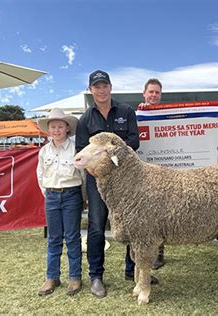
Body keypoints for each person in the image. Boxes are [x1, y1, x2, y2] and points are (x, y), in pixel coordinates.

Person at [76, 70, 155, 298]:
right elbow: (81, 150)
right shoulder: (85, 119)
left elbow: (134, 141)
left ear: (110, 87)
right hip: (99, 181)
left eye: (104, 86)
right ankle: (96, 276)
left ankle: (134, 271)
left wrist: (112, 150)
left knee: (134, 224)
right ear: (91, 90)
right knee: (97, 225)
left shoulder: (126, 111)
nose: (101, 90)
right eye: (96, 87)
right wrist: (99, 160)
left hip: (128, 180)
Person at [36, 108, 85, 296]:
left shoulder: (75, 148)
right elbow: (40, 174)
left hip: (72, 195)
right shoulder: (44, 151)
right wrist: (48, 192)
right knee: (54, 238)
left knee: (72, 237)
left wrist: (82, 198)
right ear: (49, 130)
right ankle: (52, 277)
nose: (56, 130)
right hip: (51, 195)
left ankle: (75, 277)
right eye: (53, 127)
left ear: (67, 128)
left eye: (60, 126)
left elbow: (82, 174)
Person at [131, 78, 166, 271]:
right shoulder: (137, 114)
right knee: (148, 214)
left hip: (165, 171)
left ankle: (160, 253)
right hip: (144, 172)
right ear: (144, 93)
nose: (153, 95)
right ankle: (146, 253)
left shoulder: (167, 114)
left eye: (157, 93)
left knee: (164, 212)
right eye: (151, 92)